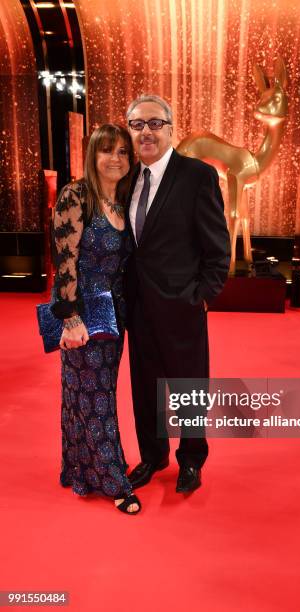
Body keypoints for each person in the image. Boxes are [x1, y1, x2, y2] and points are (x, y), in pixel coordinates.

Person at [124, 94, 231, 493]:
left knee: (189, 385)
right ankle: (152, 456)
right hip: (137, 306)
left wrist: (203, 295)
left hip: (183, 304)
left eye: (154, 123)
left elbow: (217, 246)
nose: (146, 132)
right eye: (137, 125)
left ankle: (191, 461)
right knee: (144, 386)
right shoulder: (125, 178)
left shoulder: (197, 176)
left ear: (170, 128)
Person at [51, 124, 141, 515]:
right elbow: (64, 260)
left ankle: (78, 468)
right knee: (95, 392)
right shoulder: (77, 195)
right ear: (93, 154)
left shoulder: (123, 200)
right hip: (83, 310)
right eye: (108, 151)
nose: (116, 159)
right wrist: (69, 318)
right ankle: (112, 479)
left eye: (123, 152)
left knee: (84, 391)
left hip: (114, 311)